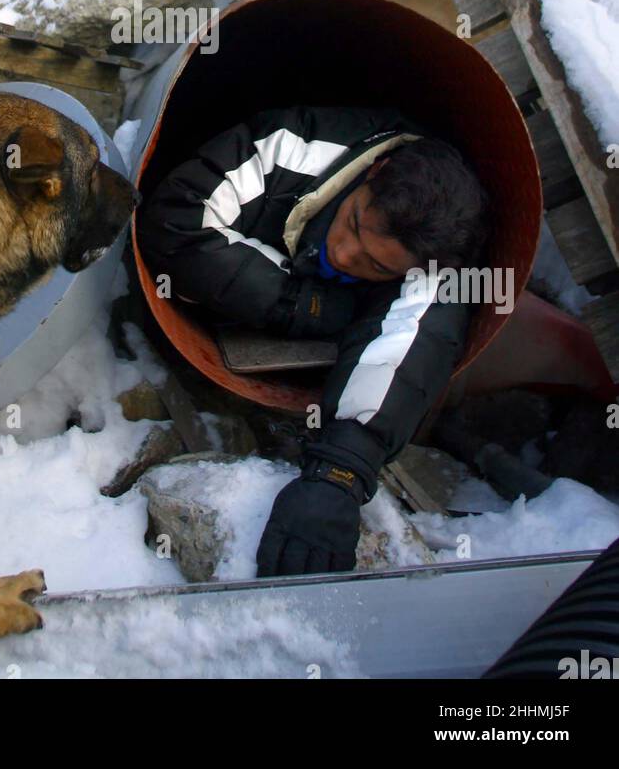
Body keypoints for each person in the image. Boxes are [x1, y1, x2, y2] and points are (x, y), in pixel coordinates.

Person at [137, 104, 492, 577]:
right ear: (374, 170)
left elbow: (411, 344)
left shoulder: (436, 260)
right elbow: (174, 221)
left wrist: (339, 475)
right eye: (353, 223)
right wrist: (309, 306)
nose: (344, 254)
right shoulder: (297, 147)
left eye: (377, 266)